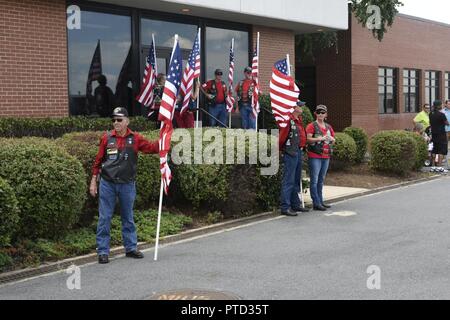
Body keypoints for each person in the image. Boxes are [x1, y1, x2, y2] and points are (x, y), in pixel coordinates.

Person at [90, 107, 159, 264]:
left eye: (119, 120)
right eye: (113, 120)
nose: (116, 122)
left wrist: (165, 138)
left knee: (128, 217)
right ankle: (102, 251)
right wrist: (93, 181)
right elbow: (98, 162)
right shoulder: (106, 138)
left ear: (127, 121)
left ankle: (130, 248)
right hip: (108, 183)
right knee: (104, 217)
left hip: (127, 184)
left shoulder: (135, 139)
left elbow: (153, 148)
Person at [279, 101, 310, 216]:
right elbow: (282, 137)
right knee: (289, 180)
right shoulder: (289, 120)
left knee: (296, 179)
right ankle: (285, 207)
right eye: (300, 105)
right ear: (294, 107)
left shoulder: (298, 120)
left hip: (298, 151)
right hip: (291, 152)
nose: (302, 107)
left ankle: (295, 204)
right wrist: (282, 150)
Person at [306, 105, 336, 211]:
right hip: (315, 156)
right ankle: (316, 202)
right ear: (315, 113)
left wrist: (332, 139)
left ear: (326, 114)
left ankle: (321, 201)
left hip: (326, 156)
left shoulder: (328, 127)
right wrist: (320, 138)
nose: (320, 114)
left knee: (321, 180)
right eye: (318, 112)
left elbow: (334, 140)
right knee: (314, 180)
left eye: (323, 112)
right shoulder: (312, 125)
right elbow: (308, 139)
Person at [429, 100, 449, 171]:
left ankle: (433, 166)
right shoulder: (441, 114)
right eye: (441, 104)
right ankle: (439, 167)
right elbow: (447, 123)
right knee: (441, 150)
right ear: (438, 106)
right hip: (441, 134)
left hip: (434, 134)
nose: (442, 106)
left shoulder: (431, 113)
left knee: (434, 149)